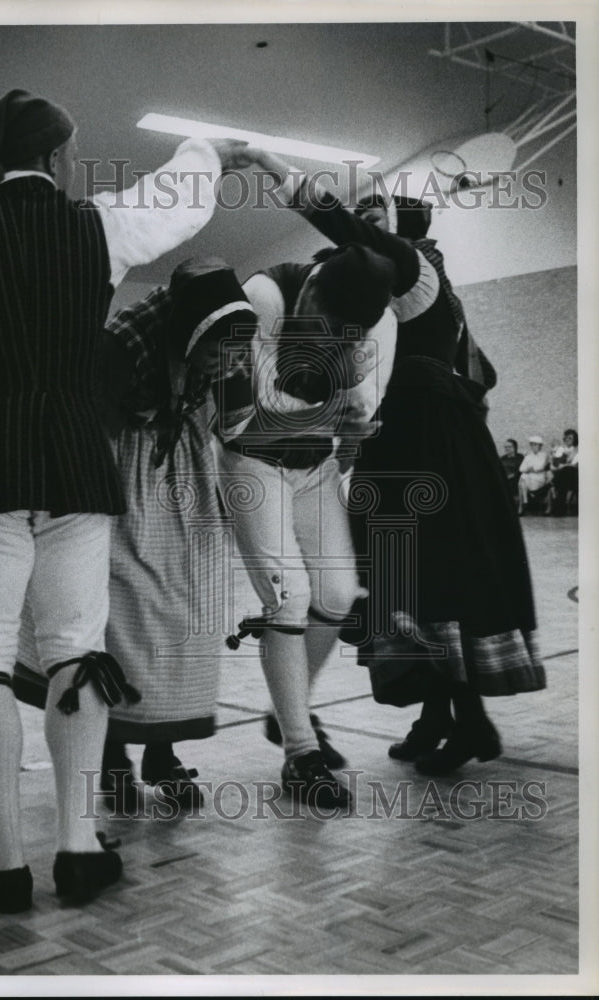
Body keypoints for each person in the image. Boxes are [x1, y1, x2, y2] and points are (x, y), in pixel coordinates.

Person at [0, 87, 258, 913]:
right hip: (78, 465)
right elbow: (173, 204)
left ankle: (1, 863)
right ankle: (77, 848)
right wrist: (213, 151)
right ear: (61, 158)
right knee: (76, 648)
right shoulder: (96, 225)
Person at [244, 151, 546, 776]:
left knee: (424, 575)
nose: (366, 232)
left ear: (397, 232)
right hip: (423, 437)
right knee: (403, 580)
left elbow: (341, 229)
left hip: (422, 441)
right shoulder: (437, 288)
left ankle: (469, 720)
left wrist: (273, 169)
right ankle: (437, 715)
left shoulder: (410, 270)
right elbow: (485, 373)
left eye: (375, 223)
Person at [14, 258, 258, 813]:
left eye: (239, 351)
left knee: (184, 614)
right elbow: (87, 433)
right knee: (124, 615)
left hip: (183, 472)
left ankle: (163, 751)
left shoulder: (229, 333)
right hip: (118, 468)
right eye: (223, 352)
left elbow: (239, 425)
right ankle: (114, 754)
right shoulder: (121, 346)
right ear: (191, 334)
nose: (233, 361)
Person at [213, 241, 398, 811]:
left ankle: (285, 708)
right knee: (288, 600)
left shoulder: (382, 320)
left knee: (341, 594)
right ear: (312, 289)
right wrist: (334, 409)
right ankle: (300, 751)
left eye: (348, 332)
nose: (333, 339)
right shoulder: (266, 295)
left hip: (313, 464)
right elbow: (241, 411)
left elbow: (363, 412)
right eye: (327, 325)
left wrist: (355, 420)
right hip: (251, 461)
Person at [548, 428, 578, 515]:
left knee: (566, 471)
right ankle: (560, 509)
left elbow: (576, 465)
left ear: (575, 440)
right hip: (562, 476)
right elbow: (554, 463)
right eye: (566, 437)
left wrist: (564, 465)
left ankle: (559, 508)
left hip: (575, 477)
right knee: (563, 477)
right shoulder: (560, 449)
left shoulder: (577, 450)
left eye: (570, 438)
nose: (567, 440)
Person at [518, 435, 550, 514]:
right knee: (522, 477)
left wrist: (529, 469)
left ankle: (523, 504)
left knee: (522, 479)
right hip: (529, 480)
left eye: (536, 444)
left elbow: (541, 467)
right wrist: (531, 469)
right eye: (532, 444)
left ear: (540, 446)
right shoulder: (528, 456)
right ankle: (525, 502)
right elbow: (521, 469)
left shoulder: (544, 455)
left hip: (539, 480)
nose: (533, 446)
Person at [499, 438, 524, 504]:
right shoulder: (503, 458)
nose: (507, 448)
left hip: (514, 480)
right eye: (506, 447)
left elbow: (521, 470)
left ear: (515, 447)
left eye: (509, 447)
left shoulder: (520, 457)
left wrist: (511, 476)